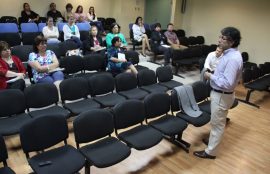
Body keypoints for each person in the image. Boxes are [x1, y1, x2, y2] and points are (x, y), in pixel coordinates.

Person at [193, 27, 243, 159]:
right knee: (218, 122)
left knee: (217, 125)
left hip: (221, 95)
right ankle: (212, 143)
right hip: (222, 95)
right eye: (220, 36)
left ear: (231, 42)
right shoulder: (230, 54)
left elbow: (228, 83)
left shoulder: (232, 58)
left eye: (223, 38)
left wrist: (210, 76)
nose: (219, 40)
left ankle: (211, 152)